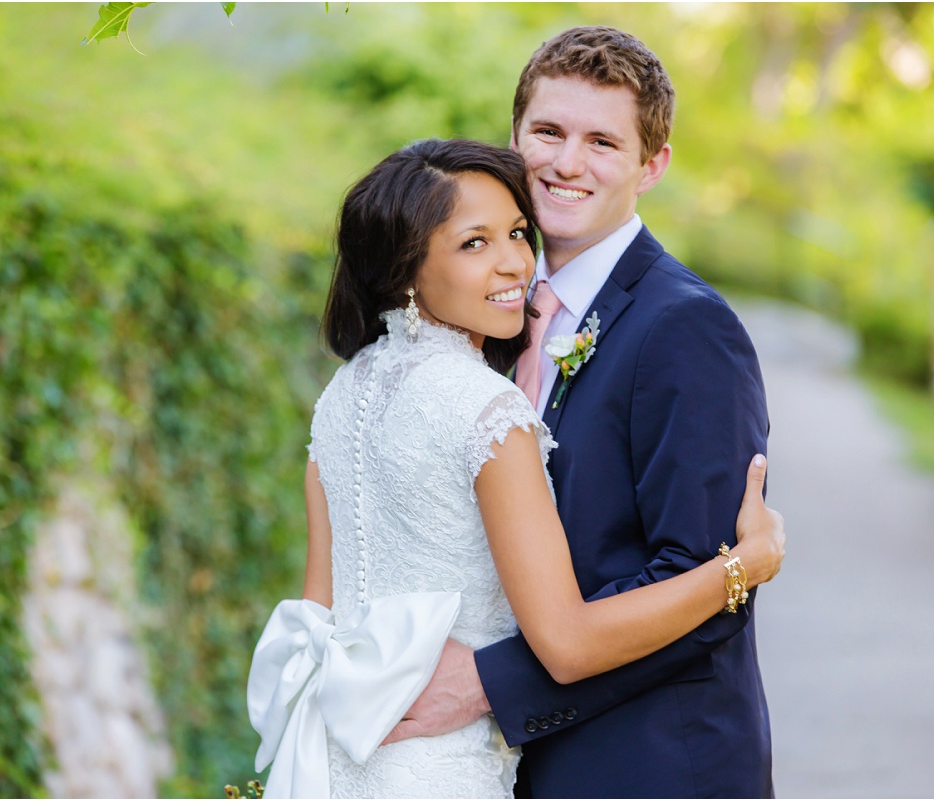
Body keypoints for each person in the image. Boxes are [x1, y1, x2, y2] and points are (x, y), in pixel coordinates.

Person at [245, 138, 784, 799]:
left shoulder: (341, 395)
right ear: (406, 269)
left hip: (348, 758)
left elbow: (319, 614)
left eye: (517, 234)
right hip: (443, 767)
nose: (514, 264)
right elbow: (567, 642)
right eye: (475, 243)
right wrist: (743, 566)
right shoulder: (487, 408)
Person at [382, 27, 778, 798]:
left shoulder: (686, 327)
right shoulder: (486, 311)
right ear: (514, 135)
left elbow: (705, 586)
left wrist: (491, 682)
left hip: (651, 763)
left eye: (603, 141)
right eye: (549, 132)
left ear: (651, 165)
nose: (567, 163)